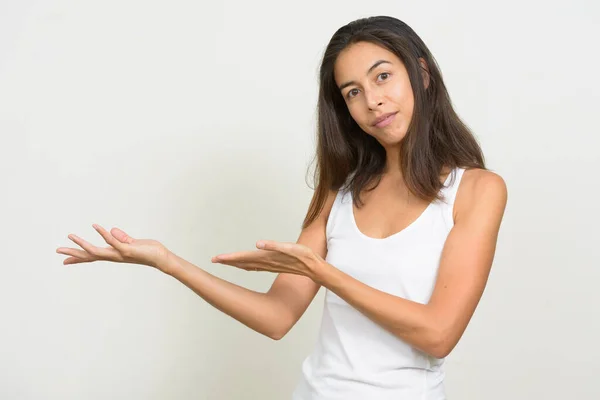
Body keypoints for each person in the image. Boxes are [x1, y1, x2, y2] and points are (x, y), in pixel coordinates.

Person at [56, 15, 507, 400]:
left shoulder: (478, 190)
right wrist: (169, 263)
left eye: (382, 76)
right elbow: (276, 317)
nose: (372, 101)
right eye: (352, 91)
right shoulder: (341, 191)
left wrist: (322, 271)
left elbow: (439, 333)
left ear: (422, 74)